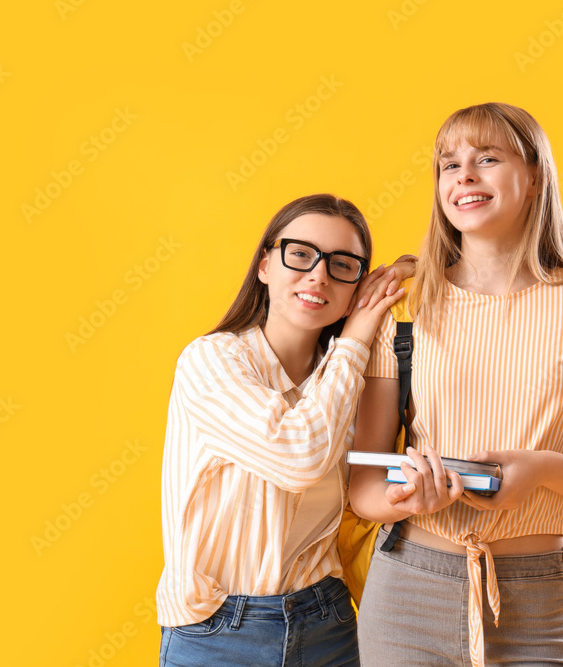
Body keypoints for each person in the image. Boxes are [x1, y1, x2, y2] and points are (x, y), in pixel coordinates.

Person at [348, 103, 563, 667]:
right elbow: (364, 485)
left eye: (487, 158)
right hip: (406, 594)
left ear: (536, 175)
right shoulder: (405, 305)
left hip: (529, 596)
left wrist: (543, 469)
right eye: (449, 164)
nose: (464, 176)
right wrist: (404, 498)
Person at [155, 193, 409, 667]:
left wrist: (410, 274)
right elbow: (299, 456)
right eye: (300, 254)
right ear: (265, 264)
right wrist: (356, 336)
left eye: (343, 265)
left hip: (328, 622)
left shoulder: (349, 375)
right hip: (219, 632)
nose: (318, 275)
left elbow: (370, 479)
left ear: (358, 290)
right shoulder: (210, 361)